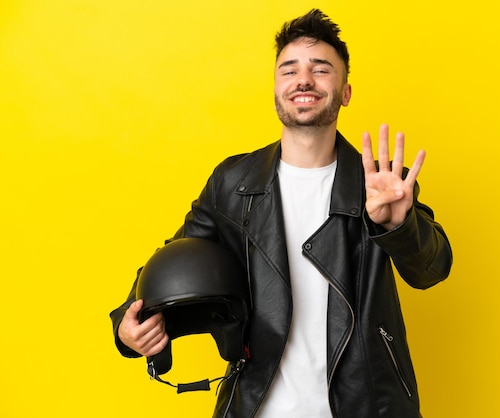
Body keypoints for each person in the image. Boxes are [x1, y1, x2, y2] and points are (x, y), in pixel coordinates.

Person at [110, 8, 452, 418]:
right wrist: (129, 322)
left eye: (321, 69)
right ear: (276, 88)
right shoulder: (232, 183)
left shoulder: (380, 184)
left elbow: (432, 269)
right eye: (289, 70)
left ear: (345, 91)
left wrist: (398, 223)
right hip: (258, 407)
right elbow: (176, 257)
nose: (303, 80)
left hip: (366, 406)